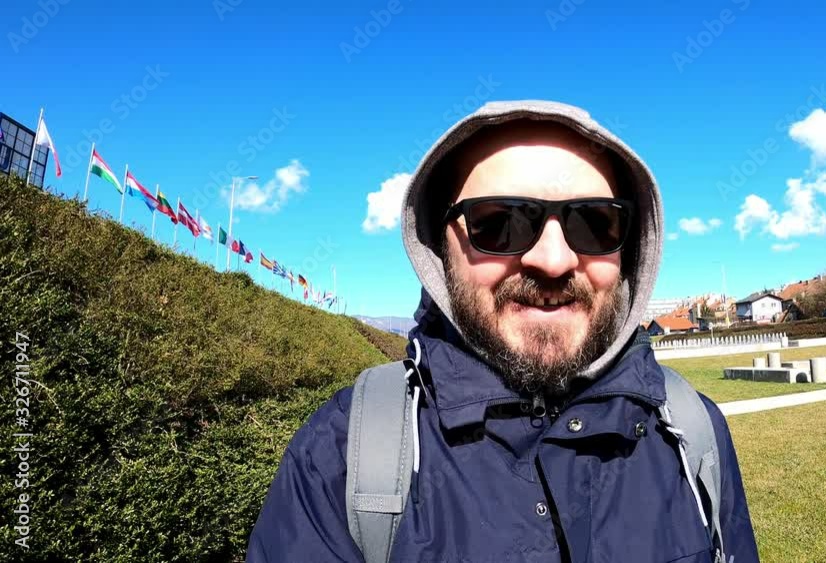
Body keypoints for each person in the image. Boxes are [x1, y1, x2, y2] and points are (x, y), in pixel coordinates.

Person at [247, 100, 759, 562]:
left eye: (594, 222)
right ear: (438, 250)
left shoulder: (692, 432)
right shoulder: (338, 459)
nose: (553, 260)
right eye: (498, 224)